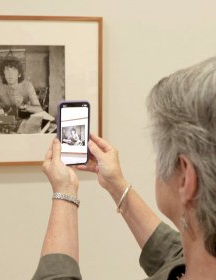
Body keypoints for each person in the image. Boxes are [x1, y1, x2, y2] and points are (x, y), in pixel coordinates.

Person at [32, 57, 216, 280]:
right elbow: (176, 255)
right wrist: (115, 184)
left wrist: (64, 191)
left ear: (186, 178)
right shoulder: (199, 259)